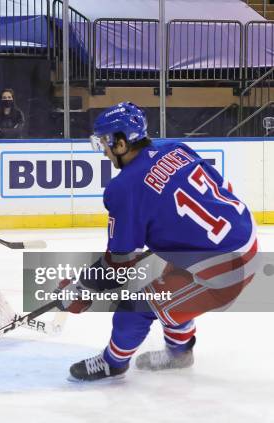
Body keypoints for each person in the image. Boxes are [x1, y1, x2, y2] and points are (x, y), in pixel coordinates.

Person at [59, 102, 258, 381]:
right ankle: (180, 355)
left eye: (104, 143)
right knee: (171, 286)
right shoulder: (175, 149)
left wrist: (83, 288)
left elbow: (118, 267)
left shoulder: (124, 188)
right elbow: (222, 190)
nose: (103, 151)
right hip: (242, 236)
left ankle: (113, 363)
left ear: (120, 143)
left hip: (225, 267)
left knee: (135, 308)